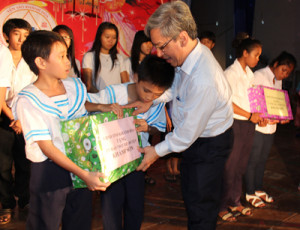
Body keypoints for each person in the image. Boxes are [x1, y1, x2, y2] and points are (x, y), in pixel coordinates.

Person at [126, 2, 234, 229]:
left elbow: (186, 135)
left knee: (201, 204)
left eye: (162, 46)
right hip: (195, 139)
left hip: (208, 144)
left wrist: (155, 152)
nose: (158, 53)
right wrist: (152, 101)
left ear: (182, 38)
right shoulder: (189, 55)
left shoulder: (204, 79)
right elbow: (176, 87)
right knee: (192, 194)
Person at [14, 30, 111, 230]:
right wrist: (84, 175)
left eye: (67, 55)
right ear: (41, 63)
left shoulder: (73, 86)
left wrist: (101, 107)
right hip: (50, 171)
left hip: (81, 160)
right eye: (61, 56)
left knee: (79, 219)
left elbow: (79, 106)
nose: (68, 61)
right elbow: (46, 146)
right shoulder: (29, 100)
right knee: (45, 222)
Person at [88, 54, 175, 230]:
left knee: (135, 206)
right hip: (111, 162)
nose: (150, 97)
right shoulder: (113, 92)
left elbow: (158, 128)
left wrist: (148, 128)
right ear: (136, 77)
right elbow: (85, 104)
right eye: (146, 90)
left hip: (137, 161)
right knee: (111, 207)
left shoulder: (156, 103)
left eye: (157, 94)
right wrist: (103, 108)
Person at [219, 37, 263, 221]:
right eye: (256, 55)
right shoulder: (230, 74)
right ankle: (220, 206)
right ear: (245, 53)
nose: (258, 59)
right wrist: (249, 115)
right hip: (235, 124)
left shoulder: (250, 74)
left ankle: (235, 201)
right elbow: (226, 103)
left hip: (248, 124)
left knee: (240, 165)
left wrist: (260, 114)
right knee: (230, 166)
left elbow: (254, 99)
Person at [244, 51, 296, 207]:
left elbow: (276, 103)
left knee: (262, 160)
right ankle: (249, 192)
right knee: (253, 160)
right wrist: (258, 116)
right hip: (258, 127)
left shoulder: (277, 80)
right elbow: (252, 100)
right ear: (275, 64)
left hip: (270, 128)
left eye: (288, 73)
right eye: (283, 70)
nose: (285, 75)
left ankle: (258, 188)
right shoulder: (260, 75)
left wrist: (283, 116)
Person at [0, 18, 36, 225]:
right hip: (3, 115)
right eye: (16, 34)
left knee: (24, 162)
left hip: (24, 116)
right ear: (6, 36)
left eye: (26, 35)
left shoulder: (32, 60)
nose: (21, 39)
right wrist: (12, 117)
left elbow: (34, 92)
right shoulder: (1, 56)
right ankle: (5, 203)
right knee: (2, 165)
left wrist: (21, 119)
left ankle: (24, 199)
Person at [82, 22, 129, 93]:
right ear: (99, 37)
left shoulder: (119, 58)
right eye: (107, 37)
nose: (111, 40)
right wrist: (102, 96)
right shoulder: (89, 56)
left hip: (117, 100)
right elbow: (89, 85)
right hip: (99, 100)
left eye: (114, 37)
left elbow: (126, 84)